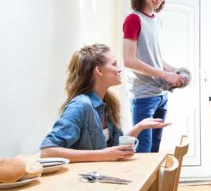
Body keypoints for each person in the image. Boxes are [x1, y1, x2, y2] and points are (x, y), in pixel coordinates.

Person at [40, 43, 171, 162]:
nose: (119, 69)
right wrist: (102, 155)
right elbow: (47, 152)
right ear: (99, 71)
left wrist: (139, 127)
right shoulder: (80, 105)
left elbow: (115, 148)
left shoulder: (108, 103)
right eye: (114, 64)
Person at [122, 0, 186, 153]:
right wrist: (166, 75)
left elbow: (152, 56)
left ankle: (156, 183)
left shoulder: (157, 20)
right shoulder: (133, 19)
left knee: (155, 149)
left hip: (161, 95)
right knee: (144, 151)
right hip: (143, 96)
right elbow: (129, 60)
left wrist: (173, 70)